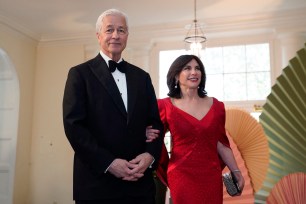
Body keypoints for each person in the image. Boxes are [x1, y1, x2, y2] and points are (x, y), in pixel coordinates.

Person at [62, 8, 164, 204]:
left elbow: (155, 124)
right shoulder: (79, 74)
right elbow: (74, 127)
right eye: (109, 30)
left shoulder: (142, 78)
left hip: (139, 185)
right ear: (98, 35)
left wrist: (150, 155)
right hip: (97, 185)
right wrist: (108, 163)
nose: (115, 35)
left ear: (127, 36)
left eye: (121, 30)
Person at [146, 54, 245, 204]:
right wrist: (145, 132)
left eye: (197, 68)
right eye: (187, 68)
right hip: (181, 175)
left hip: (211, 175)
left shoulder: (217, 106)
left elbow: (221, 144)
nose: (194, 72)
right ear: (176, 76)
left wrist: (236, 171)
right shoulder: (165, 105)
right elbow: (154, 135)